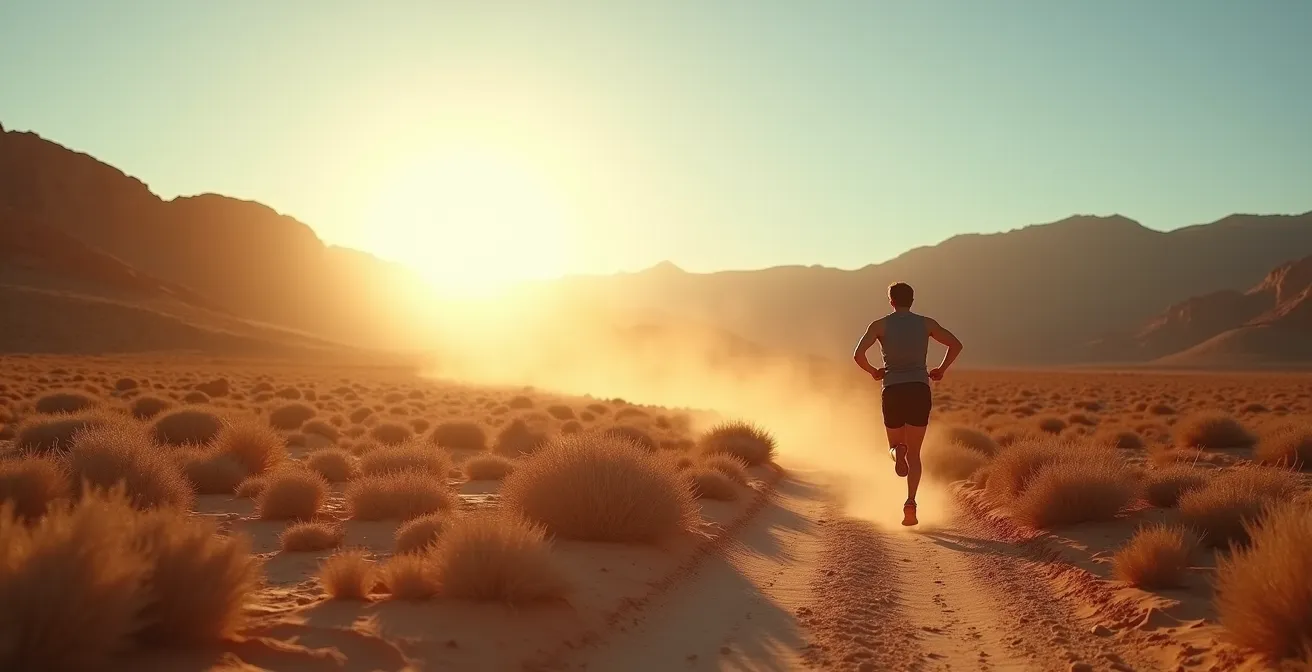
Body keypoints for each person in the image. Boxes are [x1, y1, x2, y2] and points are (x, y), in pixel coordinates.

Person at [852, 282, 963, 526]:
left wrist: (873, 371)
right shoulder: (926, 324)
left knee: (895, 446)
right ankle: (911, 502)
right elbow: (956, 344)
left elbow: (858, 355)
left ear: (891, 300)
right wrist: (941, 369)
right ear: (912, 300)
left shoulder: (879, 325)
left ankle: (896, 452)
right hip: (918, 388)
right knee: (915, 453)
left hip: (892, 388)